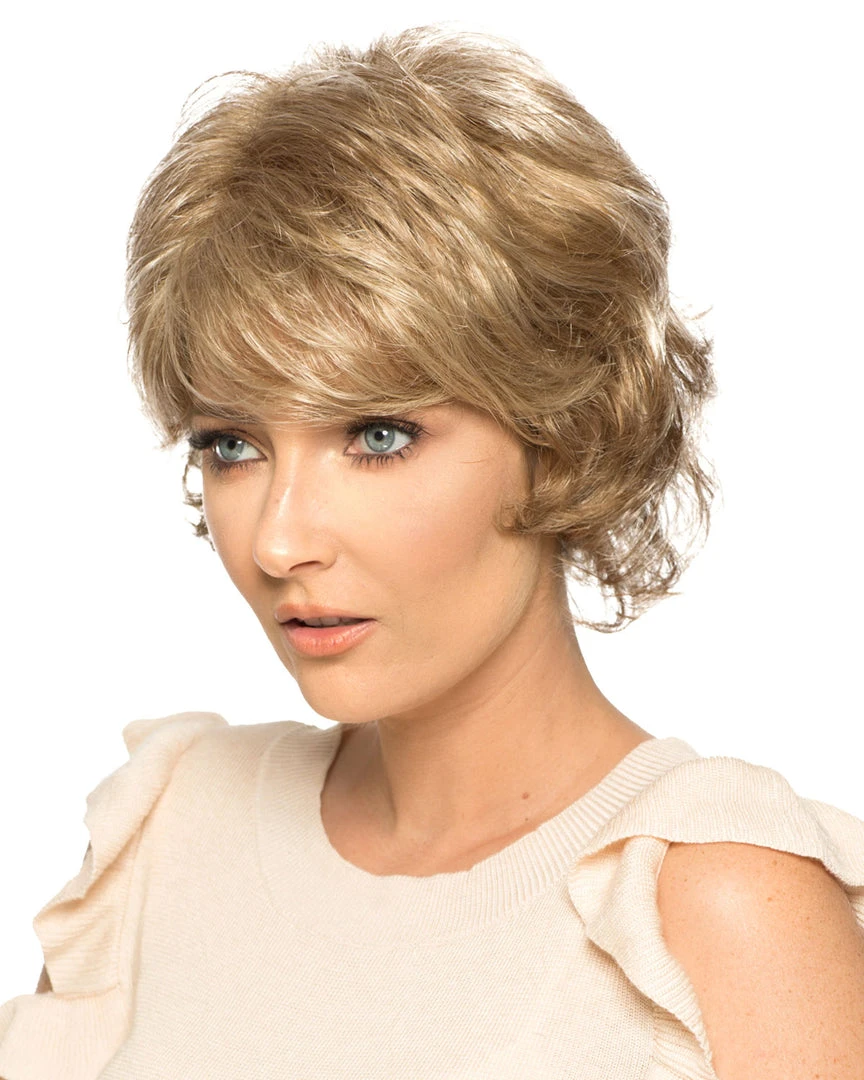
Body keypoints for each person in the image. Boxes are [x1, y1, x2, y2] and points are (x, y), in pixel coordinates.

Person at [1, 25, 863, 1080]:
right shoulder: (165, 836)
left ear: (565, 433)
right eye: (232, 446)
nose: (278, 539)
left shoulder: (712, 907)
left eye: (377, 436)